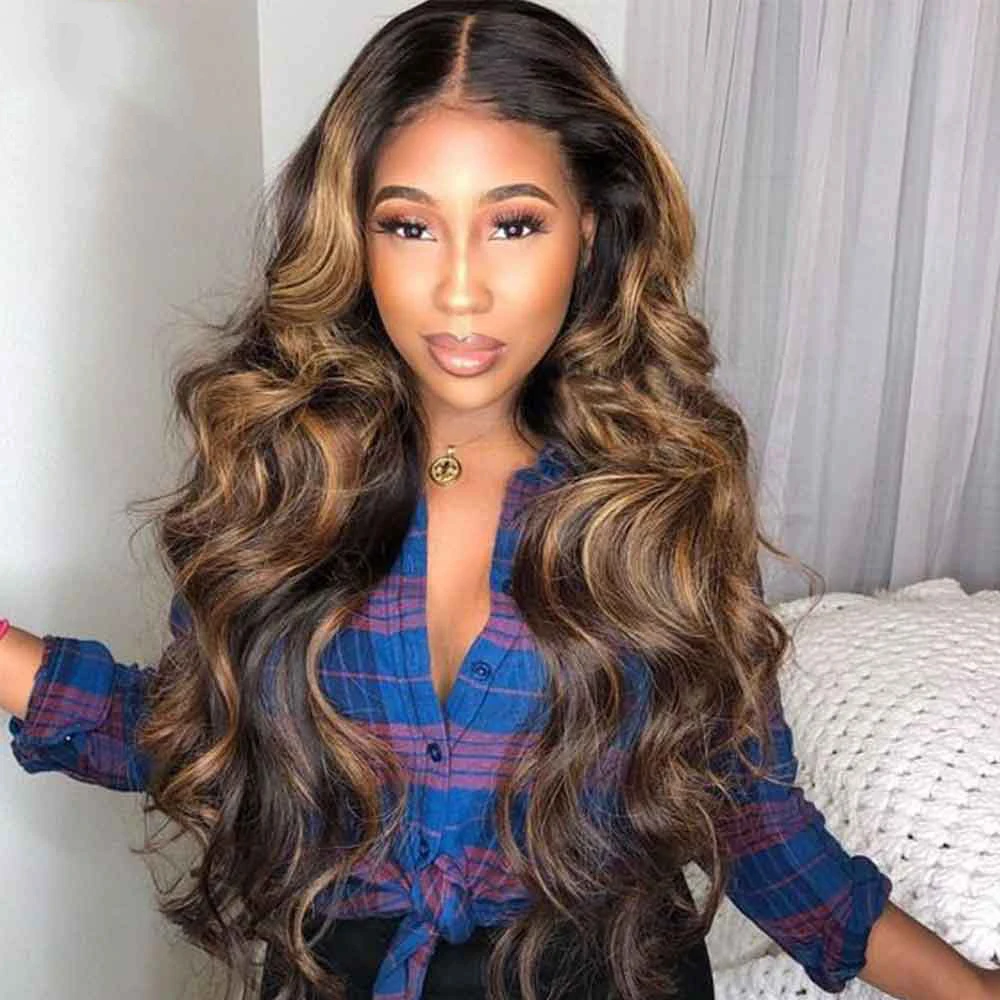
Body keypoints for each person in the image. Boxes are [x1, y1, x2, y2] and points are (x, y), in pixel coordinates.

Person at [3, 2, 998, 999]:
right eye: (410, 226)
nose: (460, 290)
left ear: (590, 229)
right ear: (354, 235)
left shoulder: (656, 501)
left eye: (513, 224)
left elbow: (753, 817)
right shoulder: (290, 479)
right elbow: (199, 736)